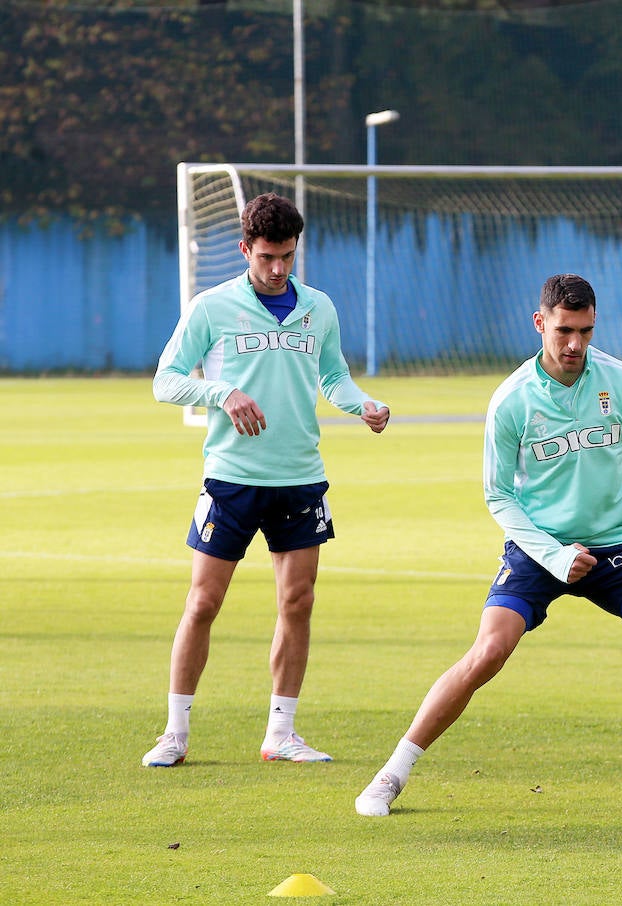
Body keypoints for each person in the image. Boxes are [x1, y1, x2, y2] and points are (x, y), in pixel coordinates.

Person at [355, 273, 622, 816]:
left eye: (584, 330)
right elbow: (497, 497)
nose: (574, 344)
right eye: (563, 330)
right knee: (488, 651)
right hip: (539, 548)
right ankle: (393, 773)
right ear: (541, 323)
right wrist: (555, 554)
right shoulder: (512, 400)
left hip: (617, 545)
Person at [142, 192, 391, 768]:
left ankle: (281, 733)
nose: (278, 269)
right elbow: (166, 380)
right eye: (266, 258)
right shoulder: (212, 307)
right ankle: (175, 733)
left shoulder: (319, 308)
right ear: (245, 250)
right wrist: (221, 393)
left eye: (287, 256)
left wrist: (363, 406)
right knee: (204, 602)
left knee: (297, 602)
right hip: (231, 479)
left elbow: (334, 376)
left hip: (300, 477)